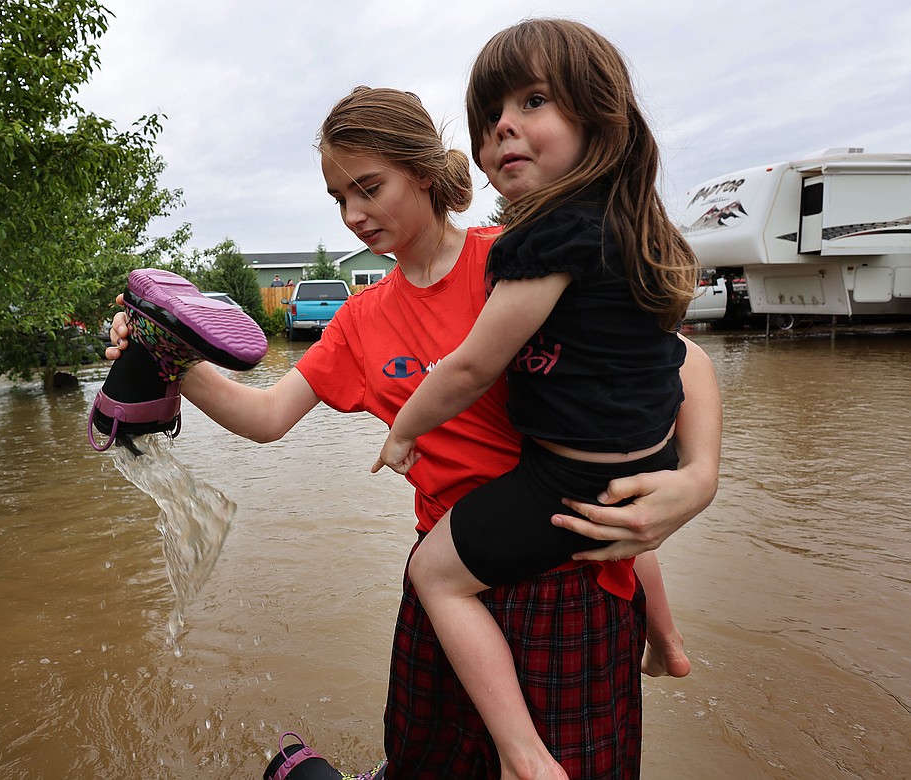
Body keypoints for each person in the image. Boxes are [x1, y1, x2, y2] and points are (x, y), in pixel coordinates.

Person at [106, 85, 721, 778]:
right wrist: (172, 360)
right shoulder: (360, 319)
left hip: (568, 570)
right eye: (339, 198)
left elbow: (681, 360)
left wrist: (698, 478)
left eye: (369, 187)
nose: (354, 215)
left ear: (424, 171)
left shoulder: (515, 258)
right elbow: (268, 416)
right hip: (452, 563)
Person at [371, 19, 702, 780]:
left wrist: (403, 432)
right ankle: (669, 643)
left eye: (534, 101)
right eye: (491, 116)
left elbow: (469, 369)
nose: (504, 127)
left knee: (435, 574)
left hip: (564, 471)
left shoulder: (544, 241)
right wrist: (698, 467)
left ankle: (524, 758)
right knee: (625, 530)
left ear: (600, 115)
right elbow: (676, 358)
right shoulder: (640, 230)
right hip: (653, 455)